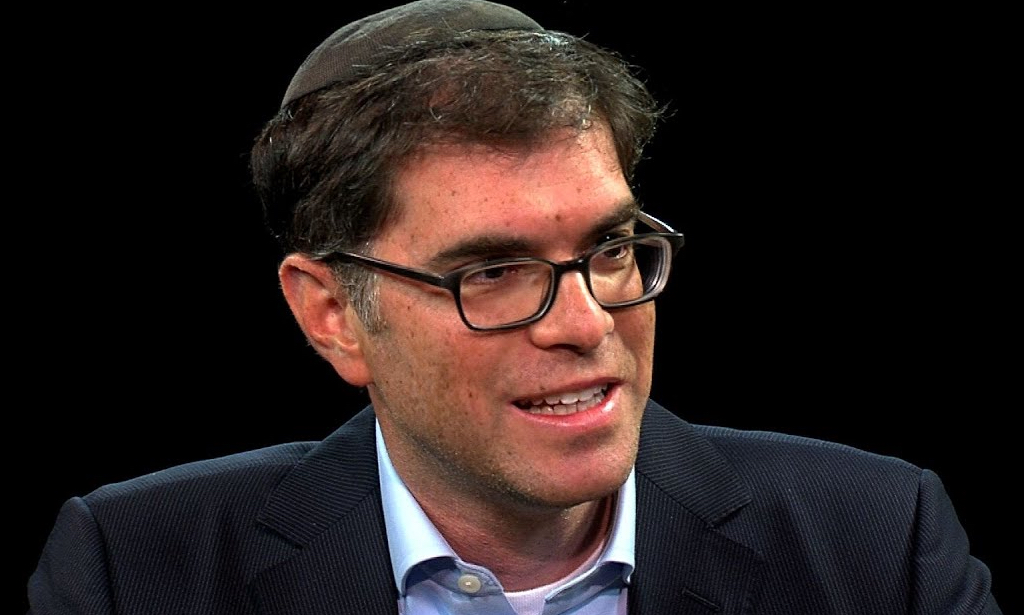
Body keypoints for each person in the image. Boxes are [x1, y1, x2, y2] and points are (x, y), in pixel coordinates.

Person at [27, 1, 1002, 613]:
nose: (584, 323)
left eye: (609, 250)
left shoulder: (877, 546)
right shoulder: (132, 572)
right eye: (491, 271)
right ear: (332, 315)